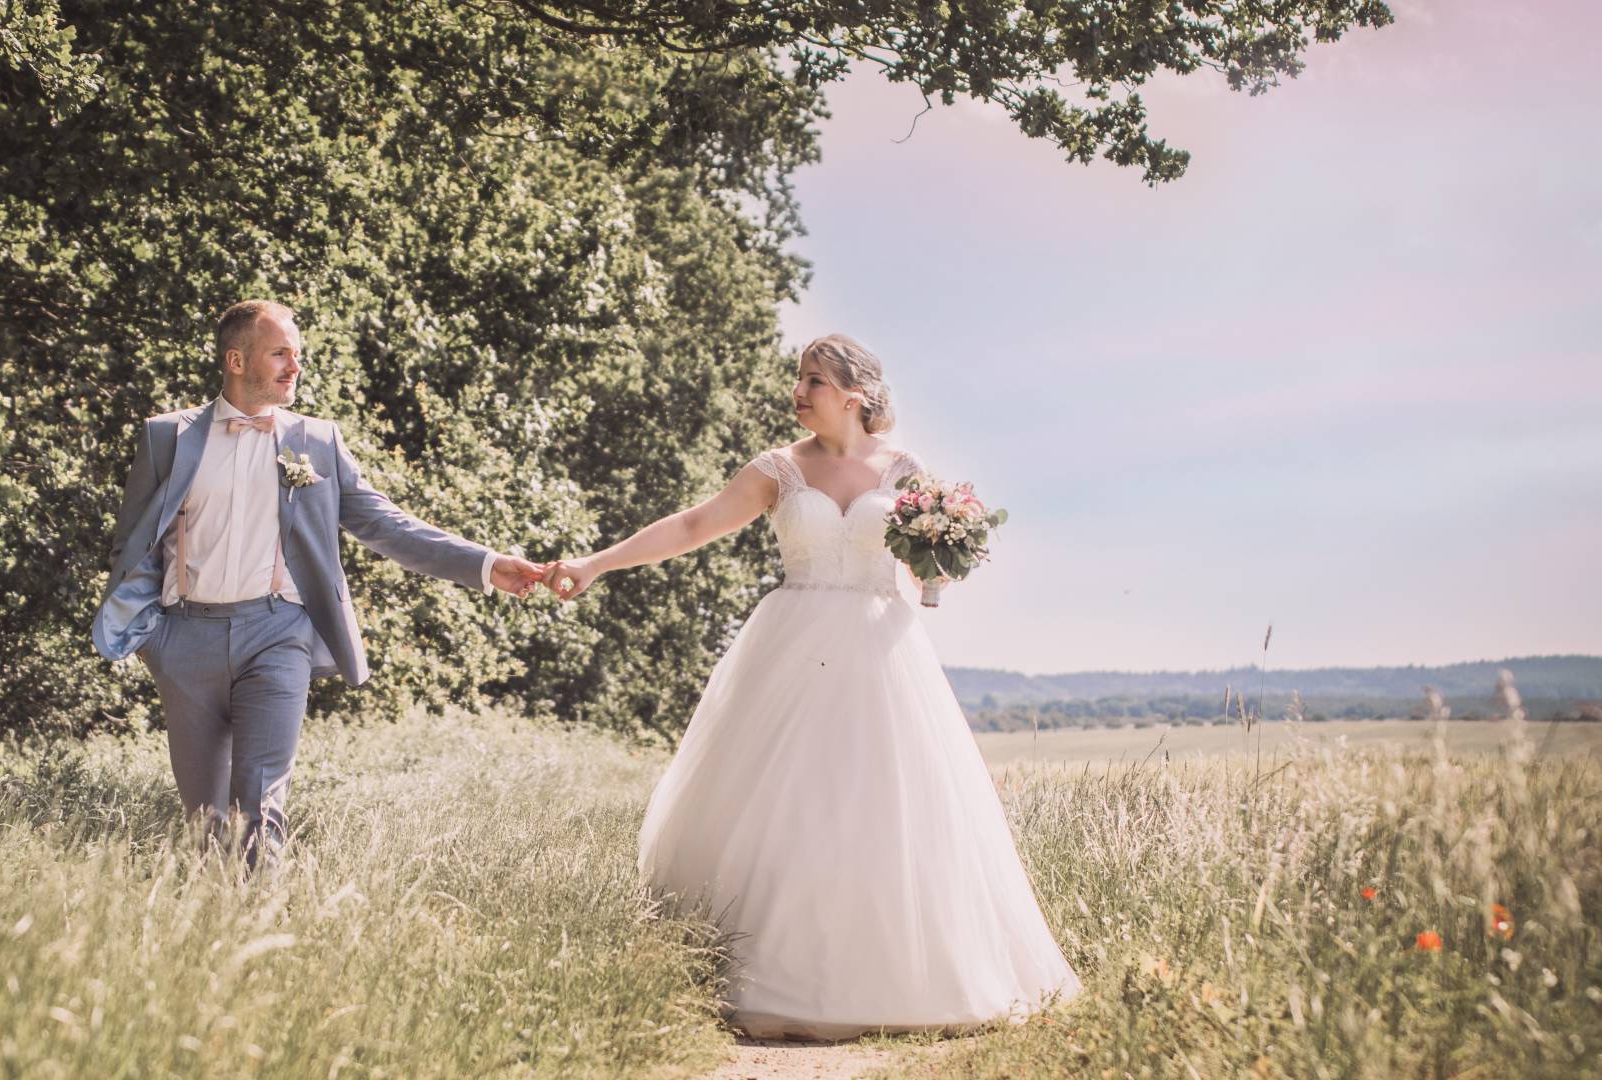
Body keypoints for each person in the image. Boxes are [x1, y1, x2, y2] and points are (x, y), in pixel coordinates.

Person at [544, 333, 1082, 1038]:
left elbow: (924, 572)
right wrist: (595, 563)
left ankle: (906, 982)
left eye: (814, 381)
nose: (798, 392)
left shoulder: (906, 468)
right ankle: (760, 976)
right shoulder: (777, 469)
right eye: (798, 378)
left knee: (887, 810)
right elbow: (695, 523)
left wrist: (942, 561)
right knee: (785, 806)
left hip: (884, 657)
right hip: (791, 647)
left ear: (854, 395)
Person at [92, 299, 548, 870]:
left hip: (277, 637)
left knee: (258, 810)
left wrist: (484, 563)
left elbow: (385, 524)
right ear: (236, 359)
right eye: (280, 353)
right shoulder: (167, 438)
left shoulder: (315, 441)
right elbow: (131, 543)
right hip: (183, 641)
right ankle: (217, 943)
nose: (294, 366)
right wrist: (153, 638)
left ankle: (264, 939)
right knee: (204, 822)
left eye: (297, 355)